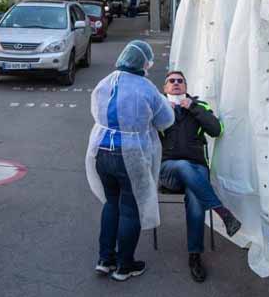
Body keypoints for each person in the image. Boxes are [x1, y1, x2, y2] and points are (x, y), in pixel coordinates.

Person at [86, 40, 175, 282]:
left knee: (111, 204)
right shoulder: (147, 89)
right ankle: (125, 265)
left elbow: (96, 111)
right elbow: (166, 120)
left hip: (101, 150)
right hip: (131, 155)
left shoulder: (104, 82)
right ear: (144, 62)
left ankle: (105, 259)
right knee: (130, 209)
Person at [159, 70, 241, 283]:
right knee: (184, 166)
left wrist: (192, 107)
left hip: (197, 169)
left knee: (195, 200)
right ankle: (222, 212)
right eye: (171, 81)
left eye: (180, 81)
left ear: (186, 86)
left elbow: (216, 130)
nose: (176, 83)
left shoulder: (199, 105)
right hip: (169, 171)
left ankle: (194, 256)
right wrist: (159, 113)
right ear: (165, 87)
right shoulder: (158, 107)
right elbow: (141, 130)